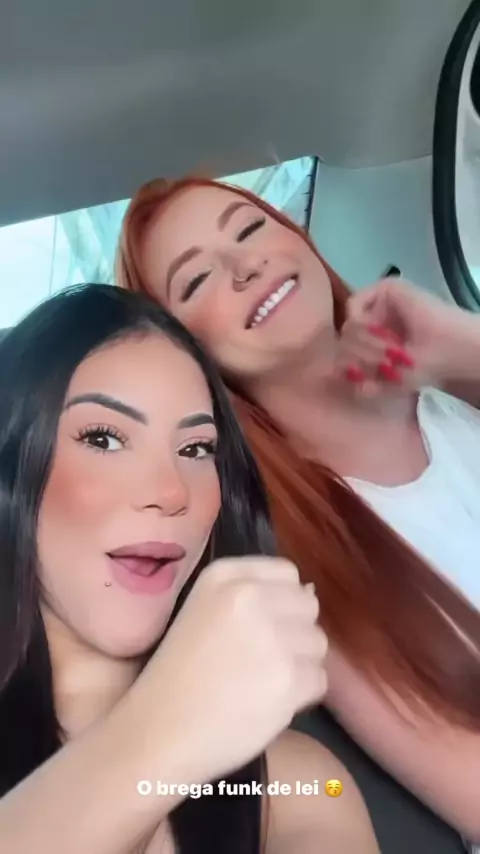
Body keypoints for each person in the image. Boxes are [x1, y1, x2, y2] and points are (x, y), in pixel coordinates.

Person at [116, 176, 480, 848]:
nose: (245, 264)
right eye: (197, 279)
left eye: (251, 228)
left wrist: (461, 349)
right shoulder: (296, 567)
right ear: (189, 355)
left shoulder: (459, 393)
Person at [0, 284, 380, 854]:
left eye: (197, 449)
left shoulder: (297, 788)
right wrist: (163, 730)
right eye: (103, 438)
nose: (171, 491)